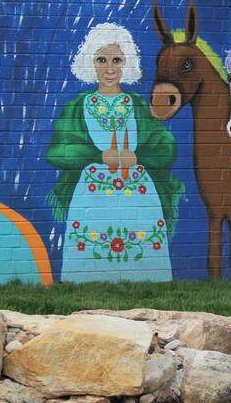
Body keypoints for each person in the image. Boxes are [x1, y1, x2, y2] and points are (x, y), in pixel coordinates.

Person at [45, 23, 184, 281]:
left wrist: (139, 156)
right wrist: (97, 156)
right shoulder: (77, 107)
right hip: (90, 194)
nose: (109, 68)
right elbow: (57, 151)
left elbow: (166, 147)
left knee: (142, 252)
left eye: (117, 60)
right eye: (102, 59)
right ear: (90, 62)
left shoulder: (139, 106)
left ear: (127, 63)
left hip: (139, 195)